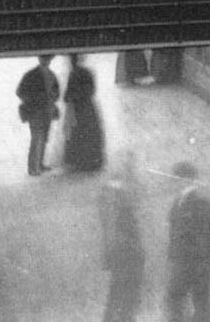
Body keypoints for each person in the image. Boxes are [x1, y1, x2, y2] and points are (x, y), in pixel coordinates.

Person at [166, 161, 210, 322]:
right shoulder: (178, 202)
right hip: (182, 263)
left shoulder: (201, 202)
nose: (173, 182)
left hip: (196, 264)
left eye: (175, 178)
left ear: (185, 179)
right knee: (177, 300)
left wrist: (206, 262)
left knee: (199, 304)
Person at [98, 151, 145, 322]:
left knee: (123, 294)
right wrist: (111, 252)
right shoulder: (113, 191)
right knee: (122, 293)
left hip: (127, 249)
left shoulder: (118, 188)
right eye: (127, 163)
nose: (130, 167)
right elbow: (110, 224)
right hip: (124, 250)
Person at [16, 55, 60, 176]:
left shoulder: (51, 74)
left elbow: (57, 92)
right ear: (40, 59)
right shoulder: (31, 75)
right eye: (44, 58)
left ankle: (39, 164)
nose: (46, 61)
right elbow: (20, 92)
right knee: (36, 139)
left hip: (48, 111)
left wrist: (52, 97)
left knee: (44, 138)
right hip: (35, 112)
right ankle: (32, 168)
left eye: (48, 59)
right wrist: (34, 100)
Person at [63, 53, 105, 171]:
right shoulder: (86, 72)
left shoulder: (74, 73)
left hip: (79, 108)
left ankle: (80, 161)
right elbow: (91, 90)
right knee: (89, 133)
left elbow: (68, 95)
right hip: (87, 107)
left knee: (78, 133)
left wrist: (71, 97)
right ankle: (91, 160)